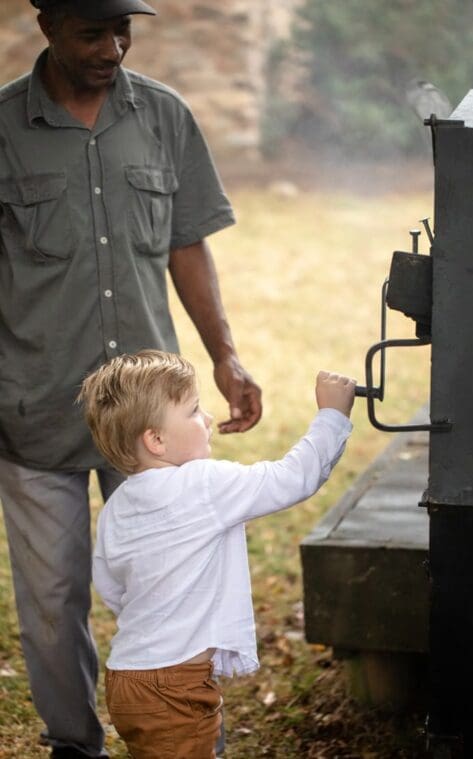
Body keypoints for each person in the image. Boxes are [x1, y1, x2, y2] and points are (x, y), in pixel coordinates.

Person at [0, 2, 261, 756]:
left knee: (177, 578)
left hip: (152, 418)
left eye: (125, 31)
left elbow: (187, 245)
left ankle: (184, 736)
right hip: (34, 404)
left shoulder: (165, 116)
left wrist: (225, 354)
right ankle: (72, 743)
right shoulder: (5, 126)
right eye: (92, 33)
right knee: (51, 599)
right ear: (47, 26)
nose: (113, 49)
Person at [78, 351, 354, 759]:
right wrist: (332, 415)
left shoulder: (118, 504)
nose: (206, 418)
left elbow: (111, 585)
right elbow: (293, 478)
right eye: (193, 411)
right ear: (156, 439)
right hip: (175, 684)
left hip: (127, 677)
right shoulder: (203, 484)